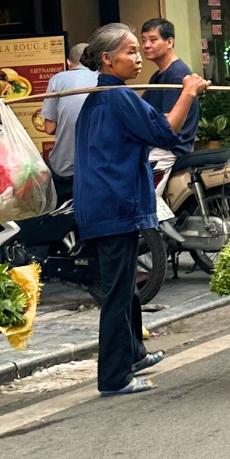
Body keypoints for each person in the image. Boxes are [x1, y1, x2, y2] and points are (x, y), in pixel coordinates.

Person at [74, 23, 209, 396]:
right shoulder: (118, 98)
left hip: (106, 201)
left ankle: (133, 353)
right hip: (112, 204)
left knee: (126, 283)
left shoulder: (104, 96)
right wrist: (189, 92)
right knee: (117, 293)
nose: (138, 58)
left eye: (139, 49)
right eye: (131, 51)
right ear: (107, 59)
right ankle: (114, 376)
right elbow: (167, 131)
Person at [140, 17, 200, 186]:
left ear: (169, 42)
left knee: (146, 197)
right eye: (143, 40)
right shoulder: (158, 75)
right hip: (157, 146)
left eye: (153, 40)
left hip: (168, 150)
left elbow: (169, 123)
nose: (146, 45)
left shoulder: (177, 74)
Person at [38, 42, 96, 202]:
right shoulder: (106, 79)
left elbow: (49, 128)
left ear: (68, 63)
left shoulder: (58, 79)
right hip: (98, 167)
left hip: (65, 168)